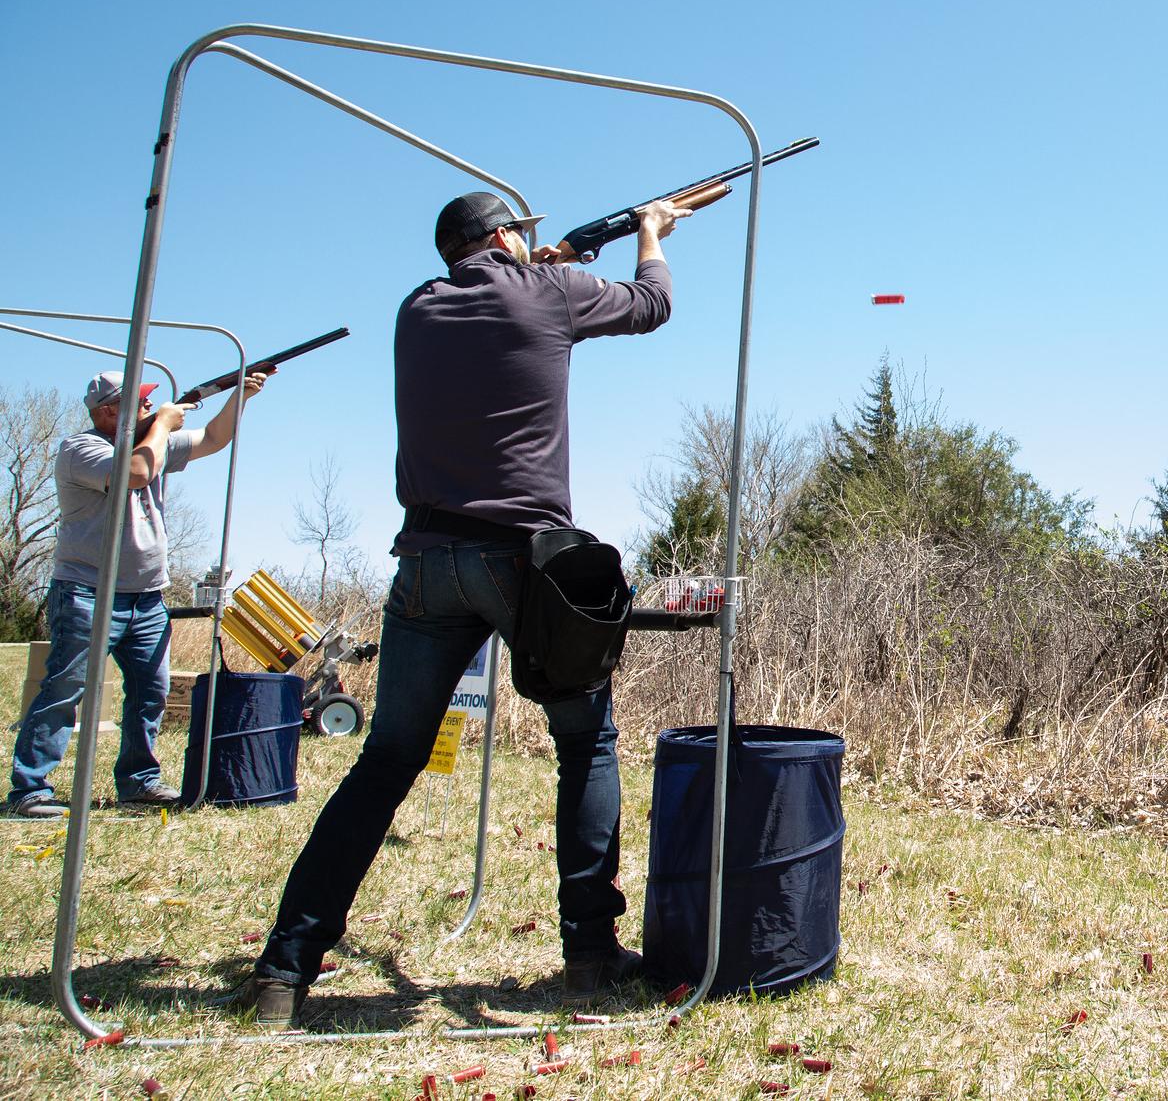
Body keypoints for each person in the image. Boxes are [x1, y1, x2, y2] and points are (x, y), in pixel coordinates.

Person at [249, 190, 684, 1028]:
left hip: (424, 562)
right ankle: (590, 955)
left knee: (385, 764)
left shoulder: (418, 307)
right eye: (518, 231)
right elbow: (654, 304)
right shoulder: (549, 294)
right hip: (525, 563)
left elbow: (498, 300)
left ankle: (284, 969)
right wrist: (653, 235)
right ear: (500, 236)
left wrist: (541, 261)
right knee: (586, 743)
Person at [7, 368, 267, 818]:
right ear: (109, 412)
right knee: (66, 690)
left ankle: (139, 782)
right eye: (141, 402)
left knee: (151, 692)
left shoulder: (154, 442)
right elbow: (138, 473)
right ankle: (30, 789)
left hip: (148, 597)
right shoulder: (81, 448)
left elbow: (211, 439)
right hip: (88, 592)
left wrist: (240, 395)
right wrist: (164, 424)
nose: (151, 406)